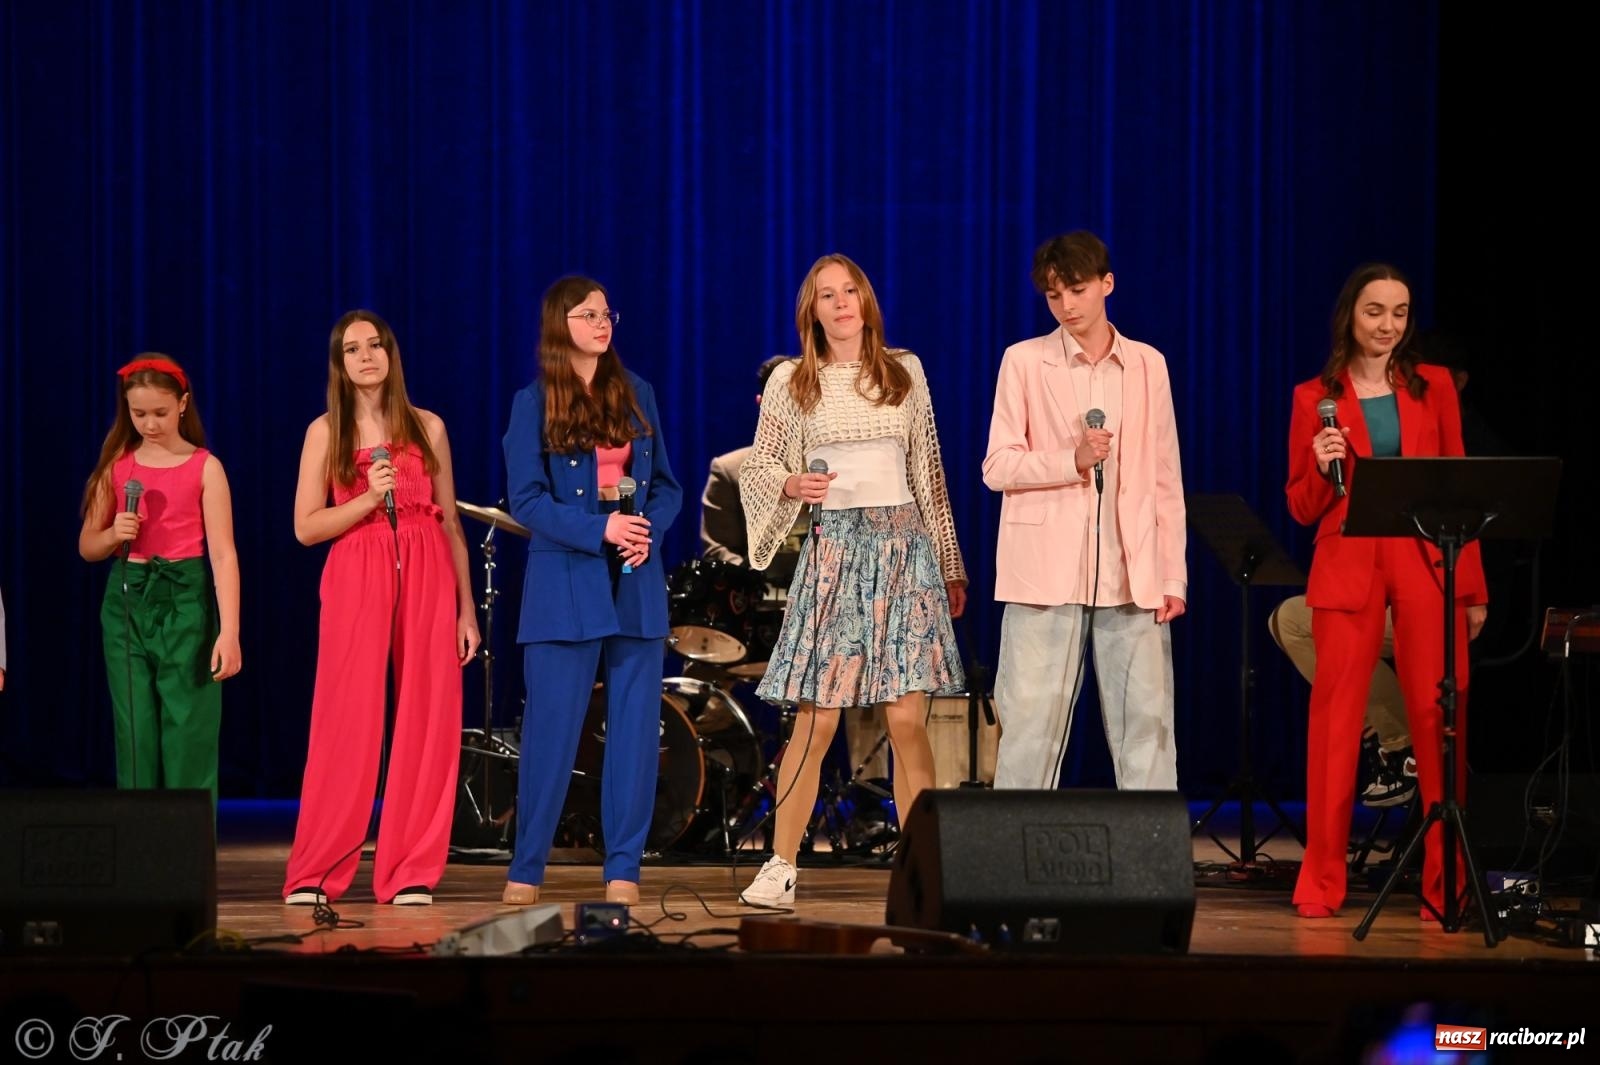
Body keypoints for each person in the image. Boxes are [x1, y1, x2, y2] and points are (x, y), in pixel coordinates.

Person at [738, 253, 967, 907]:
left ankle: (924, 869)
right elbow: (758, 467)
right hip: (835, 552)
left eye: (849, 291)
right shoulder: (792, 380)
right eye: (826, 295)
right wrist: (791, 483)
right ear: (811, 310)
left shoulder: (904, 371)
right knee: (815, 721)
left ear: (865, 300)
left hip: (903, 550)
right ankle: (780, 865)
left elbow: (928, 472)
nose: (840, 303)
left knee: (907, 720)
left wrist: (950, 561)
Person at [1287, 263, 1488, 920]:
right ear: (1351, 314)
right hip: (1348, 559)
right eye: (1375, 311)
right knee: (1335, 725)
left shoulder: (1434, 386)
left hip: (1426, 558)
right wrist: (1321, 464)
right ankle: (1321, 882)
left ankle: (1444, 884)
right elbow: (1301, 505)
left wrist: (1472, 587)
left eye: (1399, 313)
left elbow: (1460, 484)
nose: (1388, 326)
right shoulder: (1314, 397)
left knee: (1439, 717)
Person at [282, 310, 479, 907]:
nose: (366, 356)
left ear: (391, 354)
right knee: (346, 717)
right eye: (352, 349)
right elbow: (306, 528)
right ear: (338, 364)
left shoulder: (428, 426)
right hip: (356, 566)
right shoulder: (325, 432)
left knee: (428, 716)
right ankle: (318, 870)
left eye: (375, 345)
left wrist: (466, 609)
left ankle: (410, 868)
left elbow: (452, 525)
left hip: (427, 565)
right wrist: (368, 498)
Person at [982, 231, 1187, 791]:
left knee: (1147, 728)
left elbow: (1165, 477)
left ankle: (1149, 848)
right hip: (1044, 575)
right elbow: (997, 466)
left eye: (1077, 290)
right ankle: (1015, 847)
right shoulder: (1024, 361)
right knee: (1030, 728)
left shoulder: (1147, 364)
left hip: (1132, 572)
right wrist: (1069, 460)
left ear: (1106, 284)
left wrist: (1172, 575)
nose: (1067, 306)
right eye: (1054, 296)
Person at [501, 276, 682, 907]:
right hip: (565, 581)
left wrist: (646, 530)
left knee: (634, 735)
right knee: (551, 731)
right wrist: (598, 529)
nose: (602, 324)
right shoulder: (533, 402)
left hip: (634, 578)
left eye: (607, 314)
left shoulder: (637, 393)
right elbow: (525, 499)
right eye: (588, 314)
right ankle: (527, 868)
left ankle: (623, 868)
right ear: (561, 325)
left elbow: (665, 487)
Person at [698, 355, 891, 784]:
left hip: (835, 613)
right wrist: (762, 580)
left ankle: (870, 798)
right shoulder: (731, 469)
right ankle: (720, 789)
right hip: (758, 619)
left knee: (871, 676)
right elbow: (716, 550)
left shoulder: (847, 469)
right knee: (704, 677)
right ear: (762, 403)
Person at [76, 356, 241, 799]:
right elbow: (88, 546)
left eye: (160, 413)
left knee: (188, 726)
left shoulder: (205, 467)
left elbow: (223, 555)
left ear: (183, 404)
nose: (150, 424)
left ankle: (186, 837)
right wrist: (113, 533)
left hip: (185, 601)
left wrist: (229, 632)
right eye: (139, 413)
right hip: (128, 600)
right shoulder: (118, 467)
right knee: (135, 730)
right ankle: (138, 835)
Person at [1268, 596, 1416, 808]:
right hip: (1373, 598)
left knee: (1342, 631)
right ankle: (1377, 733)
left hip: (1420, 604)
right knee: (1287, 619)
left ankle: (1403, 747)